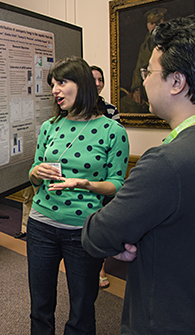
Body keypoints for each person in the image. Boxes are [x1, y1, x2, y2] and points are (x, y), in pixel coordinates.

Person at [82, 14, 195, 334]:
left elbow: (97, 235)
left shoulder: (167, 162)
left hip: (168, 321)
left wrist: (124, 239)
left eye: (149, 71)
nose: (144, 80)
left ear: (177, 81)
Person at [28, 57, 129, 334]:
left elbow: (117, 185)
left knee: (82, 309)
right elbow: (33, 173)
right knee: (40, 307)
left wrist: (87, 184)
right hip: (41, 225)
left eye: (62, 82)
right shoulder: (50, 126)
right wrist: (38, 172)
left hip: (83, 230)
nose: (55, 90)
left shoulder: (112, 131)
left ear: (82, 85)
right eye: (52, 84)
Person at [90, 65, 119, 289]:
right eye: (94, 79)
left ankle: (100, 267)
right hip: (86, 176)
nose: (98, 83)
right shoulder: (79, 109)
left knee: (103, 220)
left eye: (101, 79)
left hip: (106, 175)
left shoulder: (110, 109)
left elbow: (116, 141)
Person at [120, 7, 166, 113]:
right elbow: (138, 67)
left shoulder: (167, 43)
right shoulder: (145, 44)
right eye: (151, 23)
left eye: (157, 22)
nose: (154, 26)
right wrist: (136, 88)